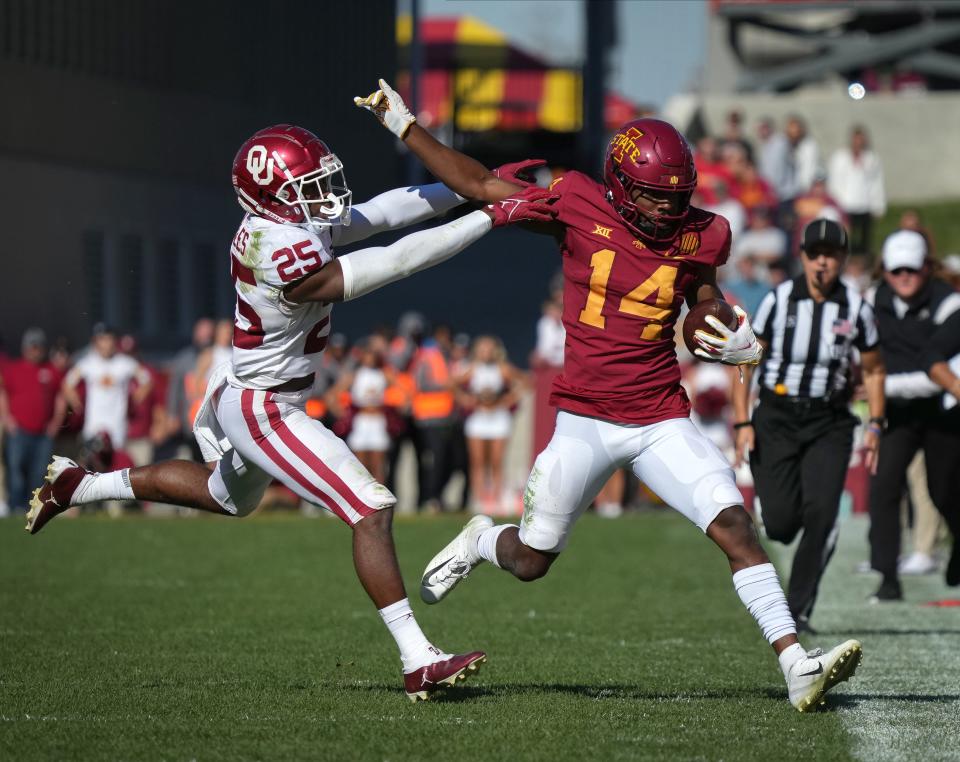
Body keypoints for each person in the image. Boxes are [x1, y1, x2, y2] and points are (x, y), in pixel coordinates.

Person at [357, 80, 863, 711]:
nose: (667, 208)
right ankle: (482, 541)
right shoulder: (574, 201)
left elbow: (701, 299)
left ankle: (796, 666)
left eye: (677, 196)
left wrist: (721, 328)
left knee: (735, 527)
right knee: (532, 561)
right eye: (655, 195)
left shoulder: (704, 232)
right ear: (622, 185)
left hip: (659, 415)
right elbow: (481, 185)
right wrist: (407, 127)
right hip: (585, 419)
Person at [25, 123, 558, 700]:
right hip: (264, 407)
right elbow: (395, 261)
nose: (323, 194)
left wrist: (476, 187)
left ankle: (80, 486)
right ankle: (417, 657)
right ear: (270, 197)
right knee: (370, 506)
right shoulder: (278, 250)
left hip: (253, 392)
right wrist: (488, 216)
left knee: (225, 496)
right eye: (306, 184)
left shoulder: (285, 222)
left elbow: (382, 212)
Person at [732, 219, 886, 633]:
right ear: (802, 257)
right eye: (815, 254)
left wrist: (874, 424)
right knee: (780, 526)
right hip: (778, 416)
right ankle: (778, 510)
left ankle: (797, 611)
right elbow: (745, 360)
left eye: (831, 255)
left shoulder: (855, 307)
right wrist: (743, 420)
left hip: (829, 422)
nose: (822, 263)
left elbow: (873, 369)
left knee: (822, 513)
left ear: (842, 260)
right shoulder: (777, 300)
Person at [867, 230, 960, 597]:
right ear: (885, 272)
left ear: (927, 267)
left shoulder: (949, 304)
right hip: (895, 416)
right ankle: (887, 577)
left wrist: (880, 385)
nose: (904, 276)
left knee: (945, 490)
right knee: (884, 487)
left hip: (942, 413)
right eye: (896, 270)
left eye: (912, 269)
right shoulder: (873, 300)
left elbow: (935, 373)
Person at [456, 335, 525, 514]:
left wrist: (508, 399)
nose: (486, 352)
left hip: (498, 417)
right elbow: (451, 384)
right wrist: (464, 398)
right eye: (482, 348)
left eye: (489, 348)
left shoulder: (502, 368)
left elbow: (525, 381)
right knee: (478, 461)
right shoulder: (471, 369)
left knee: (496, 460)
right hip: (478, 418)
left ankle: (495, 499)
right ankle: (479, 499)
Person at [0, 329, 66, 512]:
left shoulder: (51, 370)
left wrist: (55, 422)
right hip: (19, 430)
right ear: (25, 348)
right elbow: (3, 393)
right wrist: (7, 418)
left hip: (43, 432)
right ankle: (15, 505)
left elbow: (60, 397)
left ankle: (34, 506)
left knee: (38, 472)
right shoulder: (14, 369)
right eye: (32, 347)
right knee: (16, 469)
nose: (35, 351)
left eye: (38, 347)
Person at [61, 324, 152, 450]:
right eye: (102, 339)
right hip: (93, 426)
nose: (106, 344)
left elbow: (146, 380)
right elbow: (67, 384)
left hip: (117, 427)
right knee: (93, 464)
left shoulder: (124, 362)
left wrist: (135, 399)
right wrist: (76, 403)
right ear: (95, 342)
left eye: (109, 339)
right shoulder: (87, 363)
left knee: (115, 465)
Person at [827, 126, 886, 256]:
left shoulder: (872, 158)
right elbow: (834, 181)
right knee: (844, 239)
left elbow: (876, 183)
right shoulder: (840, 157)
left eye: (861, 140)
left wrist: (878, 205)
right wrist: (834, 204)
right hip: (845, 205)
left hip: (864, 205)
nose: (858, 143)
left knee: (864, 241)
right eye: (856, 139)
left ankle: (863, 264)